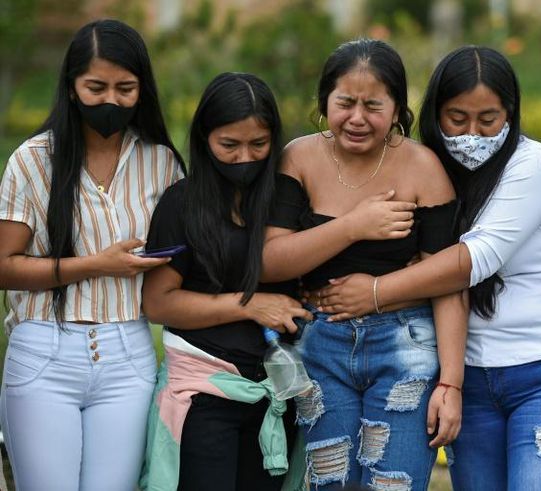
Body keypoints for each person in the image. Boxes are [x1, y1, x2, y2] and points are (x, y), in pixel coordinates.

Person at [311, 45, 541, 490]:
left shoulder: (530, 163)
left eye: (489, 119)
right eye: (457, 118)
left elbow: (471, 261)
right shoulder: (432, 165)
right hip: (473, 369)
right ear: (434, 113)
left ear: (511, 113)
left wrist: (374, 291)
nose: (472, 134)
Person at [262, 39, 466, 490]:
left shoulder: (423, 167)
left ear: (396, 109)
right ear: (324, 103)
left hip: (405, 345)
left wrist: (451, 384)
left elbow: (449, 280)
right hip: (321, 346)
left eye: (373, 105)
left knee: (392, 483)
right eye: (344, 103)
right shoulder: (299, 158)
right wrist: (354, 225)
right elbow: (271, 261)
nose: (357, 118)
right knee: (330, 482)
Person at [0, 19, 185, 490]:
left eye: (126, 88)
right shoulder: (33, 159)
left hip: (129, 356)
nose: (112, 101)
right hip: (44, 351)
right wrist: (98, 265)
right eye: (96, 87)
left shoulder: (161, 162)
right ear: (71, 86)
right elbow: (4, 267)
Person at [139, 72, 312, 491]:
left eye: (258, 145)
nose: (243, 158)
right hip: (204, 393)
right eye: (228, 145)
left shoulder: (287, 202)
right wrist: (248, 304)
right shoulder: (182, 203)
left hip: (278, 391)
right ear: (204, 138)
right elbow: (158, 303)